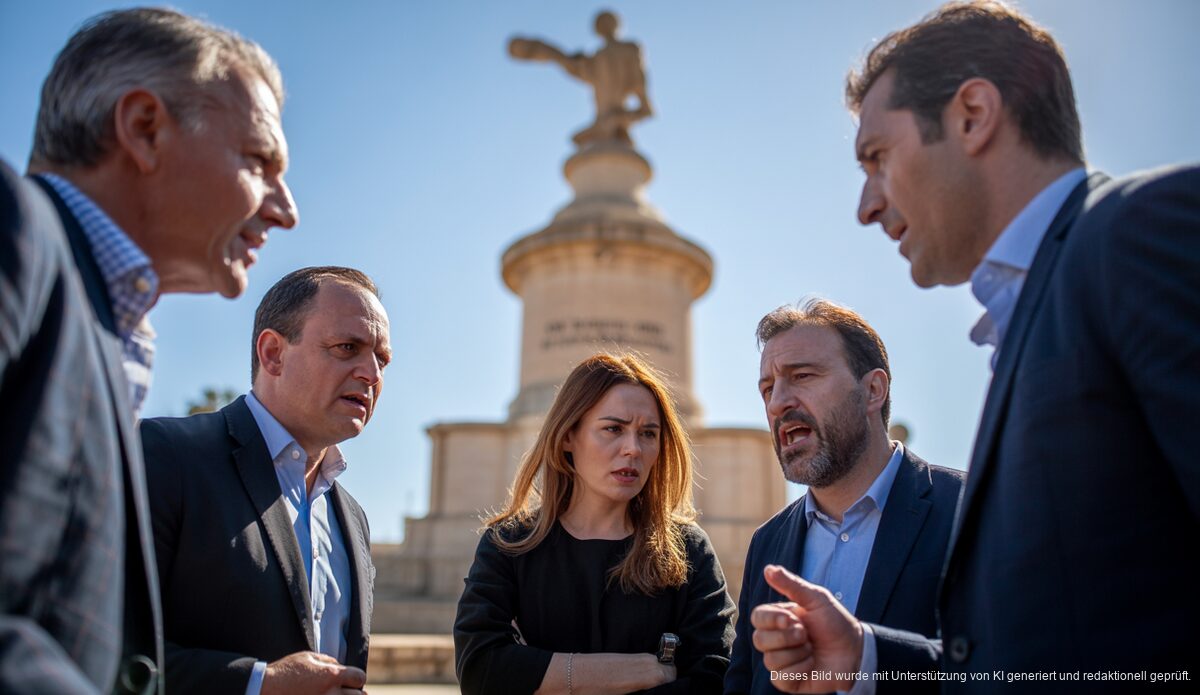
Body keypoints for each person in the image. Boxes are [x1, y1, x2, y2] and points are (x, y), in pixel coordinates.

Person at [751, 1, 1199, 692]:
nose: (866, 204)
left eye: (878, 157)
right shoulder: (1035, 310)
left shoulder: (1139, 234)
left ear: (973, 115)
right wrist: (866, 657)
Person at [1, 8, 296, 694]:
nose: (285, 209)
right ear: (143, 129)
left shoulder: (103, 325)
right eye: (259, 162)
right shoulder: (15, 232)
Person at [138, 267, 387, 695]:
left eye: (381, 359)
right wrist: (259, 684)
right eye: (348, 348)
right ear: (273, 353)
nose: (371, 373)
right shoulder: (165, 457)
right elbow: (98, 646)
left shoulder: (353, 517)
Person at [454, 353, 735, 694]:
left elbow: (716, 678)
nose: (633, 449)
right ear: (568, 436)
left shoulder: (688, 548)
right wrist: (640, 671)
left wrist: (541, 672)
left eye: (648, 433)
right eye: (613, 429)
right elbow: (480, 668)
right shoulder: (510, 543)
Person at [725, 300, 962, 694]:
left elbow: (1024, 668)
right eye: (768, 388)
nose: (778, 402)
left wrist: (866, 658)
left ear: (873, 390)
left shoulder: (969, 509)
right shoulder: (767, 543)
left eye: (802, 376)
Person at [509, 10, 653, 147]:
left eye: (606, 22)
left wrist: (618, 119)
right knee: (579, 141)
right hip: (603, 119)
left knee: (584, 141)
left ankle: (615, 132)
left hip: (613, 119)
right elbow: (568, 63)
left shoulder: (628, 49)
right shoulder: (597, 58)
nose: (603, 26)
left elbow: (644, 106)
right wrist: (540, 51)